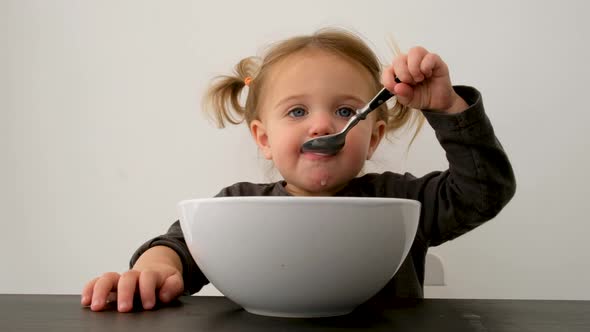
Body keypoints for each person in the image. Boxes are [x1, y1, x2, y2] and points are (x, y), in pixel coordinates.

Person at [81, 28, 516, 312]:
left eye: (346, 110)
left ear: (375, 137)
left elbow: (485, 191)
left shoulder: (404, 203)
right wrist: (155, 270)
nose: (322, 124)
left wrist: (447, 108)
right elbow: (177, 246)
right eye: (297, 111)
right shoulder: (238, 207)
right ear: (264, 138)